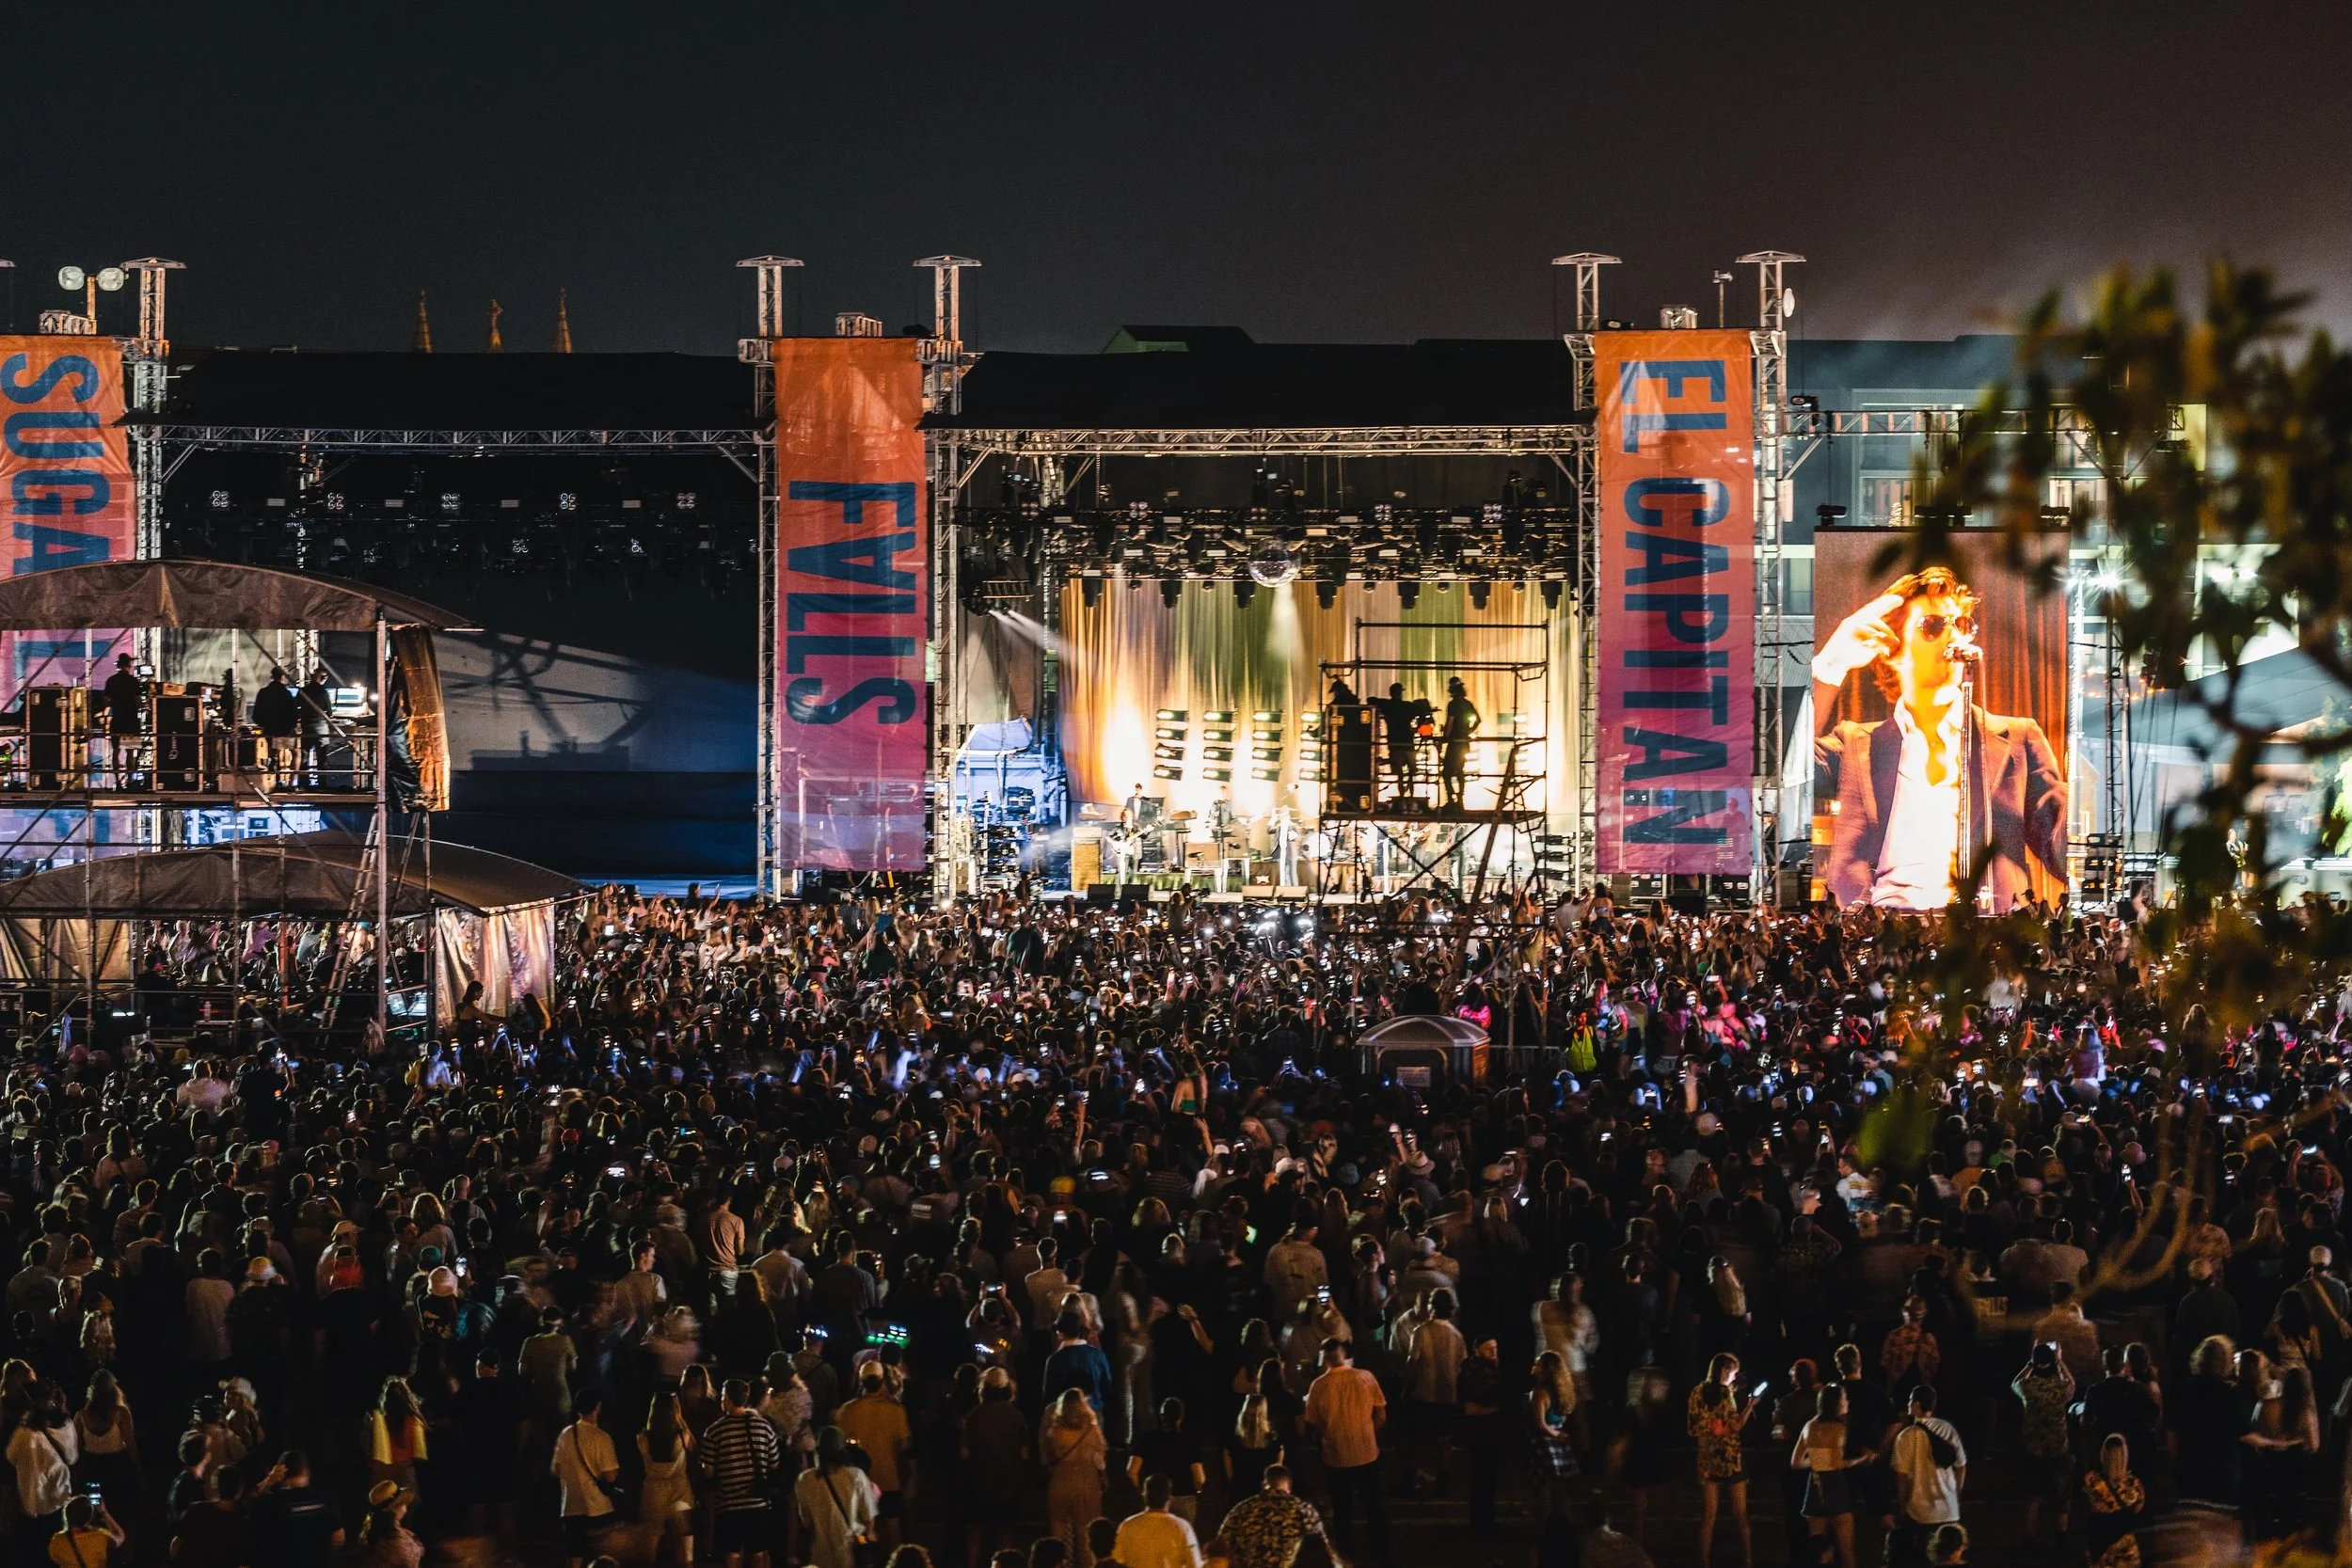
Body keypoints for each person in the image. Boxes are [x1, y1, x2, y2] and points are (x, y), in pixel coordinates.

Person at [1812, 565, 2067, 911]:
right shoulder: (1855, 743)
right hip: (1879, 934)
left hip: (1983, 935)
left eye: (1961, 626)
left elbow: (2062, 847)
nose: (1954, 638)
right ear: (1892, 647)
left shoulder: (2019, 738)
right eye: (1933, 625)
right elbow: (1781, 770)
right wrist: (1829, 665)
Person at [1301, 1337, 1390, 1568]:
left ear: (1324, 1359)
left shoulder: (1318, 1386)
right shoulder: (1365, 1377)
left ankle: (1345, 1554)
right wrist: (1370, 1432)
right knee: (1374, 1505)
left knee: (1342, 1509)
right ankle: (1381, 1551)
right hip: (1366, 1451)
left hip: (1336, 1455)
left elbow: (1313, 1422)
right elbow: (1380, 1413)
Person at [700, 1378, 783, 1568]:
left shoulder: (714, 1431)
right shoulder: (763, 1426)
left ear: (727, 1399)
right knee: (758, 1553)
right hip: (759, 1503)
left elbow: (709, 1471)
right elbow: (774, 1464)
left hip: (729, 1504)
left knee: (733, 1553)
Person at [1688, 1353, 1756, 1568]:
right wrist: (1750, 1406)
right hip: (1730, 1458)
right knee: (1740, 1514)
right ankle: (1747, 1558)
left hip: (1708, 1459)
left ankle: (1704, 1560)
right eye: (1733, 1372)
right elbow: (1734, 1426)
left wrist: (1713, 1428)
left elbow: (1693, 1427)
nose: (1734, 1378)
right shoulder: (1726, 1394)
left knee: (1708, 1515)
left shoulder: (1697, 1392)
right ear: (1724, 1371)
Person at [833, 1361, 911, 1545]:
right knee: (893, 1531)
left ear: (861, 1381)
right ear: (882, 1380)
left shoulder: (847, 1411)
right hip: (889, 1479)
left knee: (863, 1533)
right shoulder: (895, 1410)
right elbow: (905, 1446)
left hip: (859, 1482)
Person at [1887, 1386, 1965, 1568]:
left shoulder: (1906, 1436)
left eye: (1910, 1401)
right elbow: (1961, 1466)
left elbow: (1901, 1477)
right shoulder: (1947, 1429)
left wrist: (1903, 1505)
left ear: (1916, 1405)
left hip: (1920, 1513)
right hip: (1948, 1510)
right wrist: (1956, 1494)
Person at [1792, 1383, 1866, 1568]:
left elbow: (1796, 1462)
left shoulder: (1809, 1426)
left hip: (1814, 1484)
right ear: (1836, 1404)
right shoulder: (1838, 1428)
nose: (1847, 1402)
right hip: (1834, 1485)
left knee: (1818, 1549)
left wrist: (1817, 1461)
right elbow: (1837, 1463)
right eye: (1844, 1399)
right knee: (1846, 1549)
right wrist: (1861, 1459)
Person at [551, 1387, 621, 1568]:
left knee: (574, 1557)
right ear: (598, 1407)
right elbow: (610, 1476)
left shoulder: (565, 1434)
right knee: (603, 1556)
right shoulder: (602, 1438)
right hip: (598, 1507)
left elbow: (556, 1469)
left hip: (571, 1507)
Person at [1209, 1465, 1327, 1568]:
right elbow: (1323, 1551)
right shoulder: (1304, 1510)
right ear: (1289, 1488)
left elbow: (1220, 1547)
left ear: (1264, 1485)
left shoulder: (1241, 1509)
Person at [1040, 1389, 1106, 1568]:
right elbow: (1099, 1460)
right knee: (1085, 1534)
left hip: (1060, 1480)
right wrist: (1103, 1478)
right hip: (1087, 1481)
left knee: (1058, 1529)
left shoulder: (1056, 1431)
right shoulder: (1092, 1431)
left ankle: (1059, 1564)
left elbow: (1047, 1457)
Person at [795, 1428, 878, 1568]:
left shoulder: (805, 1480)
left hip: (819, 1556)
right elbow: (868, 1518)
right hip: (850, 1553)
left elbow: (806, 1522)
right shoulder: (856, 1476)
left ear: (819, 1452)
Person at [250, 1451, 345, 1568]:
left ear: (281, 1474)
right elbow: (338, 1539)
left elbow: (250, 1504)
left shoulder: (270, 1503)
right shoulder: (325, 1499)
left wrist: (268, 1481)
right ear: (307, 1471)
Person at [639, 1391, 695, 1568]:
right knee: (686, 1556)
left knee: (649, 1555)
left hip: (653, 1494)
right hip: (680, 1493)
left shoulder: (642, 1438)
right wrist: (681, 1420)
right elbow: (693, 1446)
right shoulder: (681, 1435)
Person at [1111, 1474, 1203, 1568]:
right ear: (1170, 1498)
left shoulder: (1127, 1525)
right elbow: (1194, 1564)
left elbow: (1118, 1558)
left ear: (1144, 1496)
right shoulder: (1182, 1527)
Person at [98, 654, 143, 786]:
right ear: (128, 665)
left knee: (116, 751)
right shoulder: (133, 681)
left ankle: (117, 781)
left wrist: (116, 702)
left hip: (117, 720)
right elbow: (138, 701)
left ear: (118, 665)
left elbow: (105, 702)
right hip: (131, 721)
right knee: (130, 752)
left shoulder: (111, 681)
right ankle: (129, 780)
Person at [252, 668, 301, 789]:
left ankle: (273, 780)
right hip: (285, 730)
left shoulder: (263, 692)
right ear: (283, 677)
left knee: (273, 754)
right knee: (296, 753)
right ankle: (290, 783)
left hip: (269, 730)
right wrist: (292, 727)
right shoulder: (287, 693)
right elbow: (294, 714)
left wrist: (264, 724)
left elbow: (256, 714)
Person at [46, 1494, 121, 1568]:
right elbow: (119, 1536)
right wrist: (103, 1512)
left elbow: (55, 1559)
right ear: (90, 1516)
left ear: (67, 1514)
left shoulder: (57, 1541)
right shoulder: (99, 1537)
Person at [1438, 676, 1479, 812]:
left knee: (1446, 773)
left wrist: (1445, 737)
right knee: (1459, 770)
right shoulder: (1467, 703)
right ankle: (1460, 800)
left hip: (1454, 742)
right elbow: (1478, 719)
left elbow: (1450, 723)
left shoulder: (1453, 704)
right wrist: (1468, 731)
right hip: (1464, 742)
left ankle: (1451, 800)